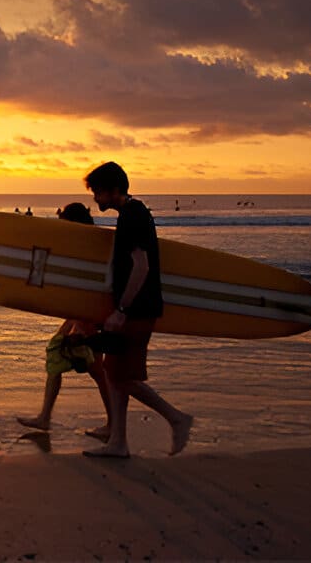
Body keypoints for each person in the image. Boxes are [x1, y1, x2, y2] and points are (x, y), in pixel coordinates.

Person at [83, 161, 193, 458]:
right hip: (136, 307)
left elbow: (141, 267)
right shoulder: (133, 212)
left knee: (122, 377)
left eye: (98, 192)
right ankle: (118, 442)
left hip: (136, 310)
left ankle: (176, 418)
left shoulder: (132, 216)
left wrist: (121, 310)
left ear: (113, 190)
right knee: (114, 372)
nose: (95, 198)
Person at [17, 203, 111, 438]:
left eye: (65, 222)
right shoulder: (80, 244)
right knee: (56, 354)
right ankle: (45, 418)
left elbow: (92, 285)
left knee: (97, 371)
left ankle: (114, 424)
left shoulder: (90, 247)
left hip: (89, 314)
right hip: (81, 312)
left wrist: (80, 324)